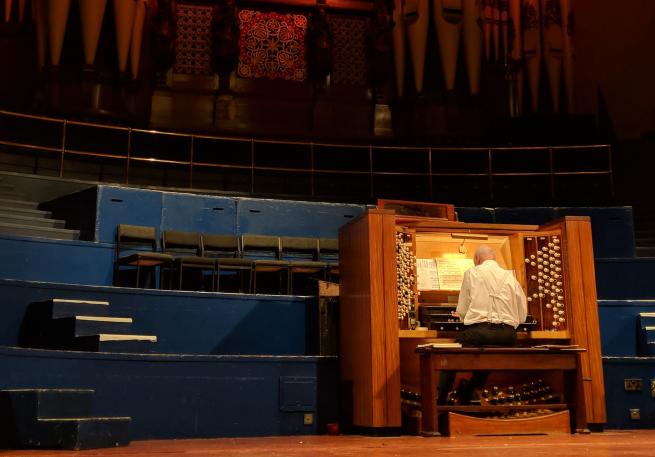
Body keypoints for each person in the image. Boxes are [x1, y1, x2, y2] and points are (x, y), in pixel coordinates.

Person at [437, 244, 528, 405]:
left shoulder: (472, 273)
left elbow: (463, 310)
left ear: (477, 259)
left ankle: (440, 401)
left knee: (449, 354)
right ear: (494, 258)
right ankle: (471, 388)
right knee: (488, 351)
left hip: (481, 332)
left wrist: (461, 316)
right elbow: (522, 316)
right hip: (508, 336)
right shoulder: (510, 277)